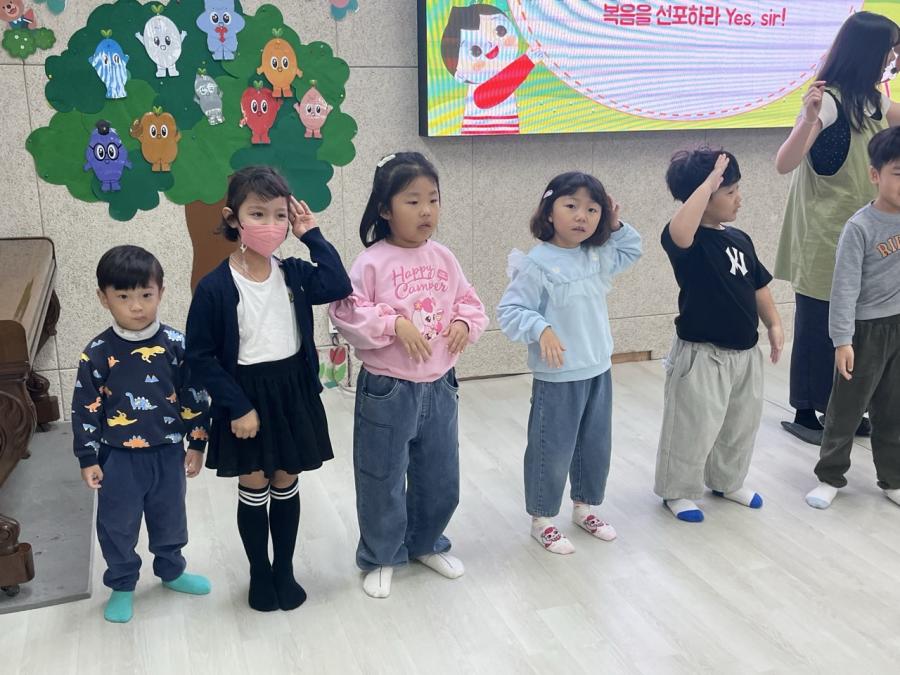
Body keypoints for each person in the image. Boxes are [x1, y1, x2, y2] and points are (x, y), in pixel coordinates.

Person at [185, 165, 351, 611]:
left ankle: (285, 570)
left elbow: (338, 282)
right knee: (255, 482)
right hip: (244, 396)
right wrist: (237, 406)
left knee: (286, 478)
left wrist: (311, 235)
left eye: (280, 215)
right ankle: (260, 572)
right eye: (258, 214)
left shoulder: (293, 272)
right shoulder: (215, 287)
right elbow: (199, 356)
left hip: (291, 390)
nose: (271, 225)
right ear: (233, 218)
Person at [329, 151, 488, 598]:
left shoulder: (444, 257)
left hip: (440, 386)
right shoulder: (371, 262)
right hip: (388, 389)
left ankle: (425, 543)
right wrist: (393, 324)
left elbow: (470, 302)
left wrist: (464, 323)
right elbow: (346, 312)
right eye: (412, 201)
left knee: (440, 475)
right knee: (381, 476)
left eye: (433, 200)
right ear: (385, 208)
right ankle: (381, 555)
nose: (426, 211)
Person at [496, 172, 642, 554]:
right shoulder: (536, 263)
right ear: (549, 211)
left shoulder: (596, 254)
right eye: (571, 205)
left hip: (598, 368)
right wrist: (541, 328)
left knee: (595, 445)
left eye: (592, 209)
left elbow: (632, 250)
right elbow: (510, 310)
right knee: (551, 448)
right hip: (558, 376)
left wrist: (616, 225)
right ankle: (542, 519)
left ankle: (584, 508)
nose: (582, 216)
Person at [774, 11, 900, 444]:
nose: (892, 60)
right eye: (890, 52)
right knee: (818, 321)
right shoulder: (826, 100)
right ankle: (807, 411)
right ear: (870, 52)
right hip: (825, 232)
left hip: (860, 231)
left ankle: (839, 406)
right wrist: (808, 119)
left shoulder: (871, 100)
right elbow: (784, 162)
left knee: (849, 322)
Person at [72, 245, 211, 623]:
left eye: (146, 295)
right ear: (103, 298)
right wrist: (87, 457)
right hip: (117, 457)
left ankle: (172, 571)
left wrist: (197, 442)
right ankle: (122, 584)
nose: (136, 306)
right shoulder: (96, 353)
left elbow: (194, 396)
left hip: (167, 452)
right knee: (117, 524)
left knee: (170, 517)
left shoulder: (177, 345)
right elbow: (85, 408)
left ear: (161, 292)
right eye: (123, 297)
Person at [654, 149, 783, 523]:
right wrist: (710, 180)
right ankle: (677, 490)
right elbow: (681, 229)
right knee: (692, 425)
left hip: (745, 354)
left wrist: (773, 324)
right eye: (729, 192)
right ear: (704, 195)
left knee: (740, 424)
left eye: (736, 189)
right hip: (701, 355)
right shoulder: (686, 240)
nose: (738, 198)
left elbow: (758, 285)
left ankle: (728, 481)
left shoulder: (740, 238)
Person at [805, 126, 900, 509]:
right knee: (845, 409)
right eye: (898, 173)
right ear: (875, 174)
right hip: (864, 332)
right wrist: (842, 341)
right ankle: (830, 477)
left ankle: (893, 478)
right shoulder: (860, 228)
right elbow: (843, 289)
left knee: (893, 410)